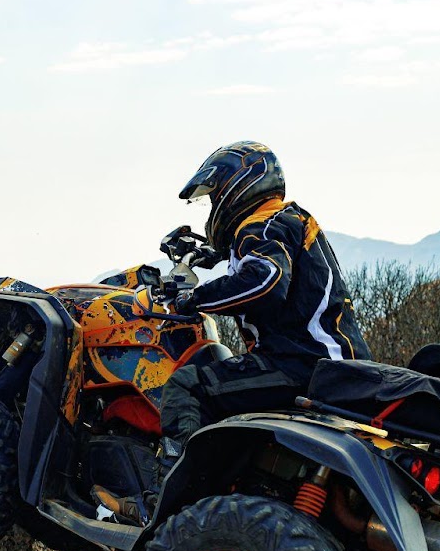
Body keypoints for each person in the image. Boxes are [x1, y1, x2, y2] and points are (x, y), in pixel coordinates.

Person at [157, 140, 371, 473]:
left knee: (188, 386)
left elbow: (266, 280)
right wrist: (213, 255)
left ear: (238, 185)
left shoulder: (261, 224)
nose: (213, 206)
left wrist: (194, 299)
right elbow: (264, 262)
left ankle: (169, 489)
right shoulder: (281, 219)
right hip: (332, 366)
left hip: (304, 365)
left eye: (214, 196)